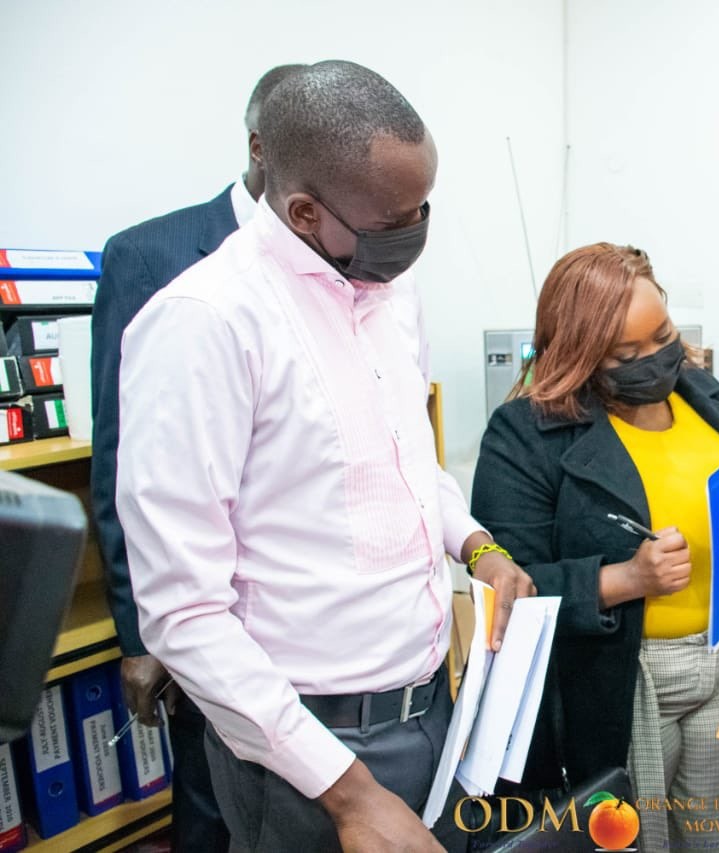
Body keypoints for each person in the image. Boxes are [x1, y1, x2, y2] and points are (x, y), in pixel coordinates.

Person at [114, 60, 534, 853]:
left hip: (428, 706)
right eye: (393, 221)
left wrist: (477, 544)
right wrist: (347, 793)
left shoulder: (388, 295)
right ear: (304, 210)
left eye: (423, 210)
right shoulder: (205, 323)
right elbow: (181, 609)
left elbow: (410, 467)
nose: (413, 234)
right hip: (307, 749)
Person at [471, 243, 719, 851]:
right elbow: (509, 589)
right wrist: (626, 579)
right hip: (625, 680)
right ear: (579, 353)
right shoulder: (525, 433)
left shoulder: (700, 394)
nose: (654, 360)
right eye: (625, 355)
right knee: (635, 840)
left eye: (663, 335)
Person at [90, 62, 304, 852]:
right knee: (216, 811)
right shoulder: (152, 256)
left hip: (318, 623)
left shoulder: (345, 259)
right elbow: (123, 464)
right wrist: (139, 636)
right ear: (260, 147)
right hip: (205, 607)